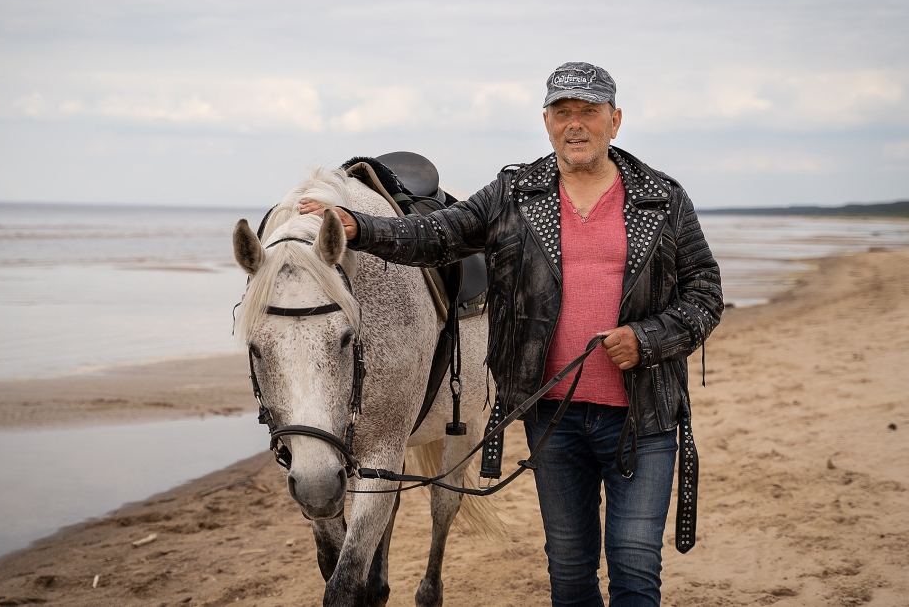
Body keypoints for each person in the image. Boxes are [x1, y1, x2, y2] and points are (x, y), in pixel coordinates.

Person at [300, 62, 723, 607]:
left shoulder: (662, 198)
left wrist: (648, 339)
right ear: (546, 122)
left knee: (635, 573)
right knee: (569, 576)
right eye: (563, 112)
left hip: (645, 420)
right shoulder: (514, 194)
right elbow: (437, 235)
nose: (576, 125)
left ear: (614, 121)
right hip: (555, 422)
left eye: (588, 113)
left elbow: (706, 291)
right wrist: (363, 228)